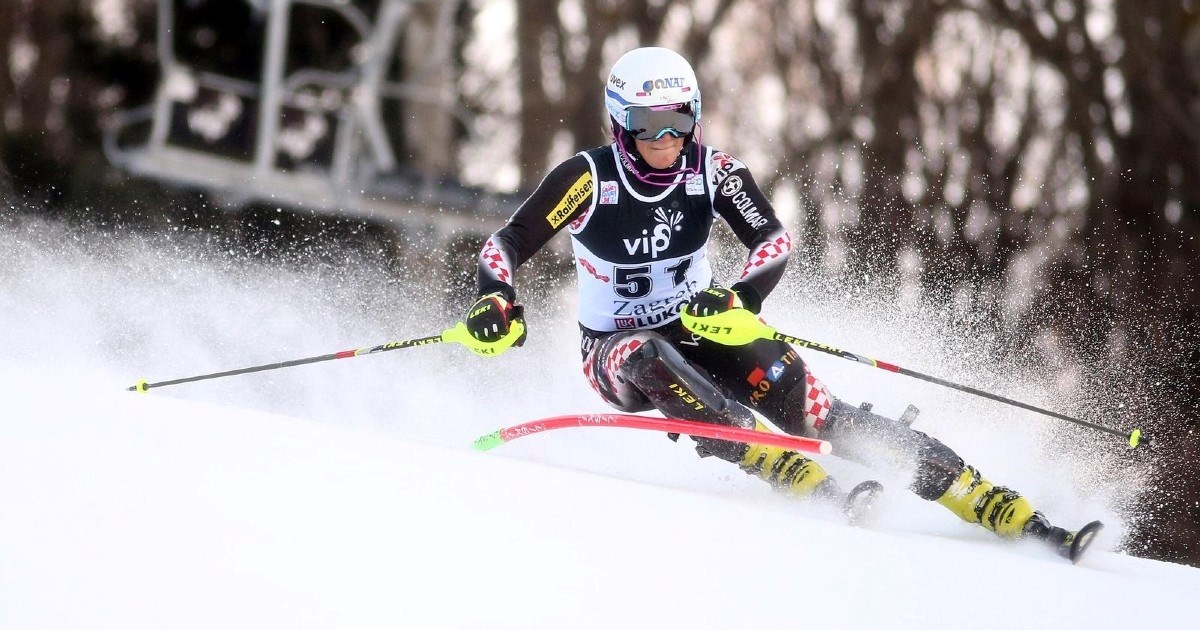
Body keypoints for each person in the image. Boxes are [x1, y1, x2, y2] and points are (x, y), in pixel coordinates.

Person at [462, 46, 1086, 552]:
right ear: (620, 124)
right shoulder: (589, 180)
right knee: (649, 355)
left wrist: (738, 296)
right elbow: (507, 243)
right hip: (614, 351)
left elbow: (773, 242)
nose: (667, 139)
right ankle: (782, 467)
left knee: (820, 414)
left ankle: (991, 501)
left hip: (706, 322)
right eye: (650, 126)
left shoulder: (713, 172)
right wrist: (496, 300)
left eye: (681, 121)